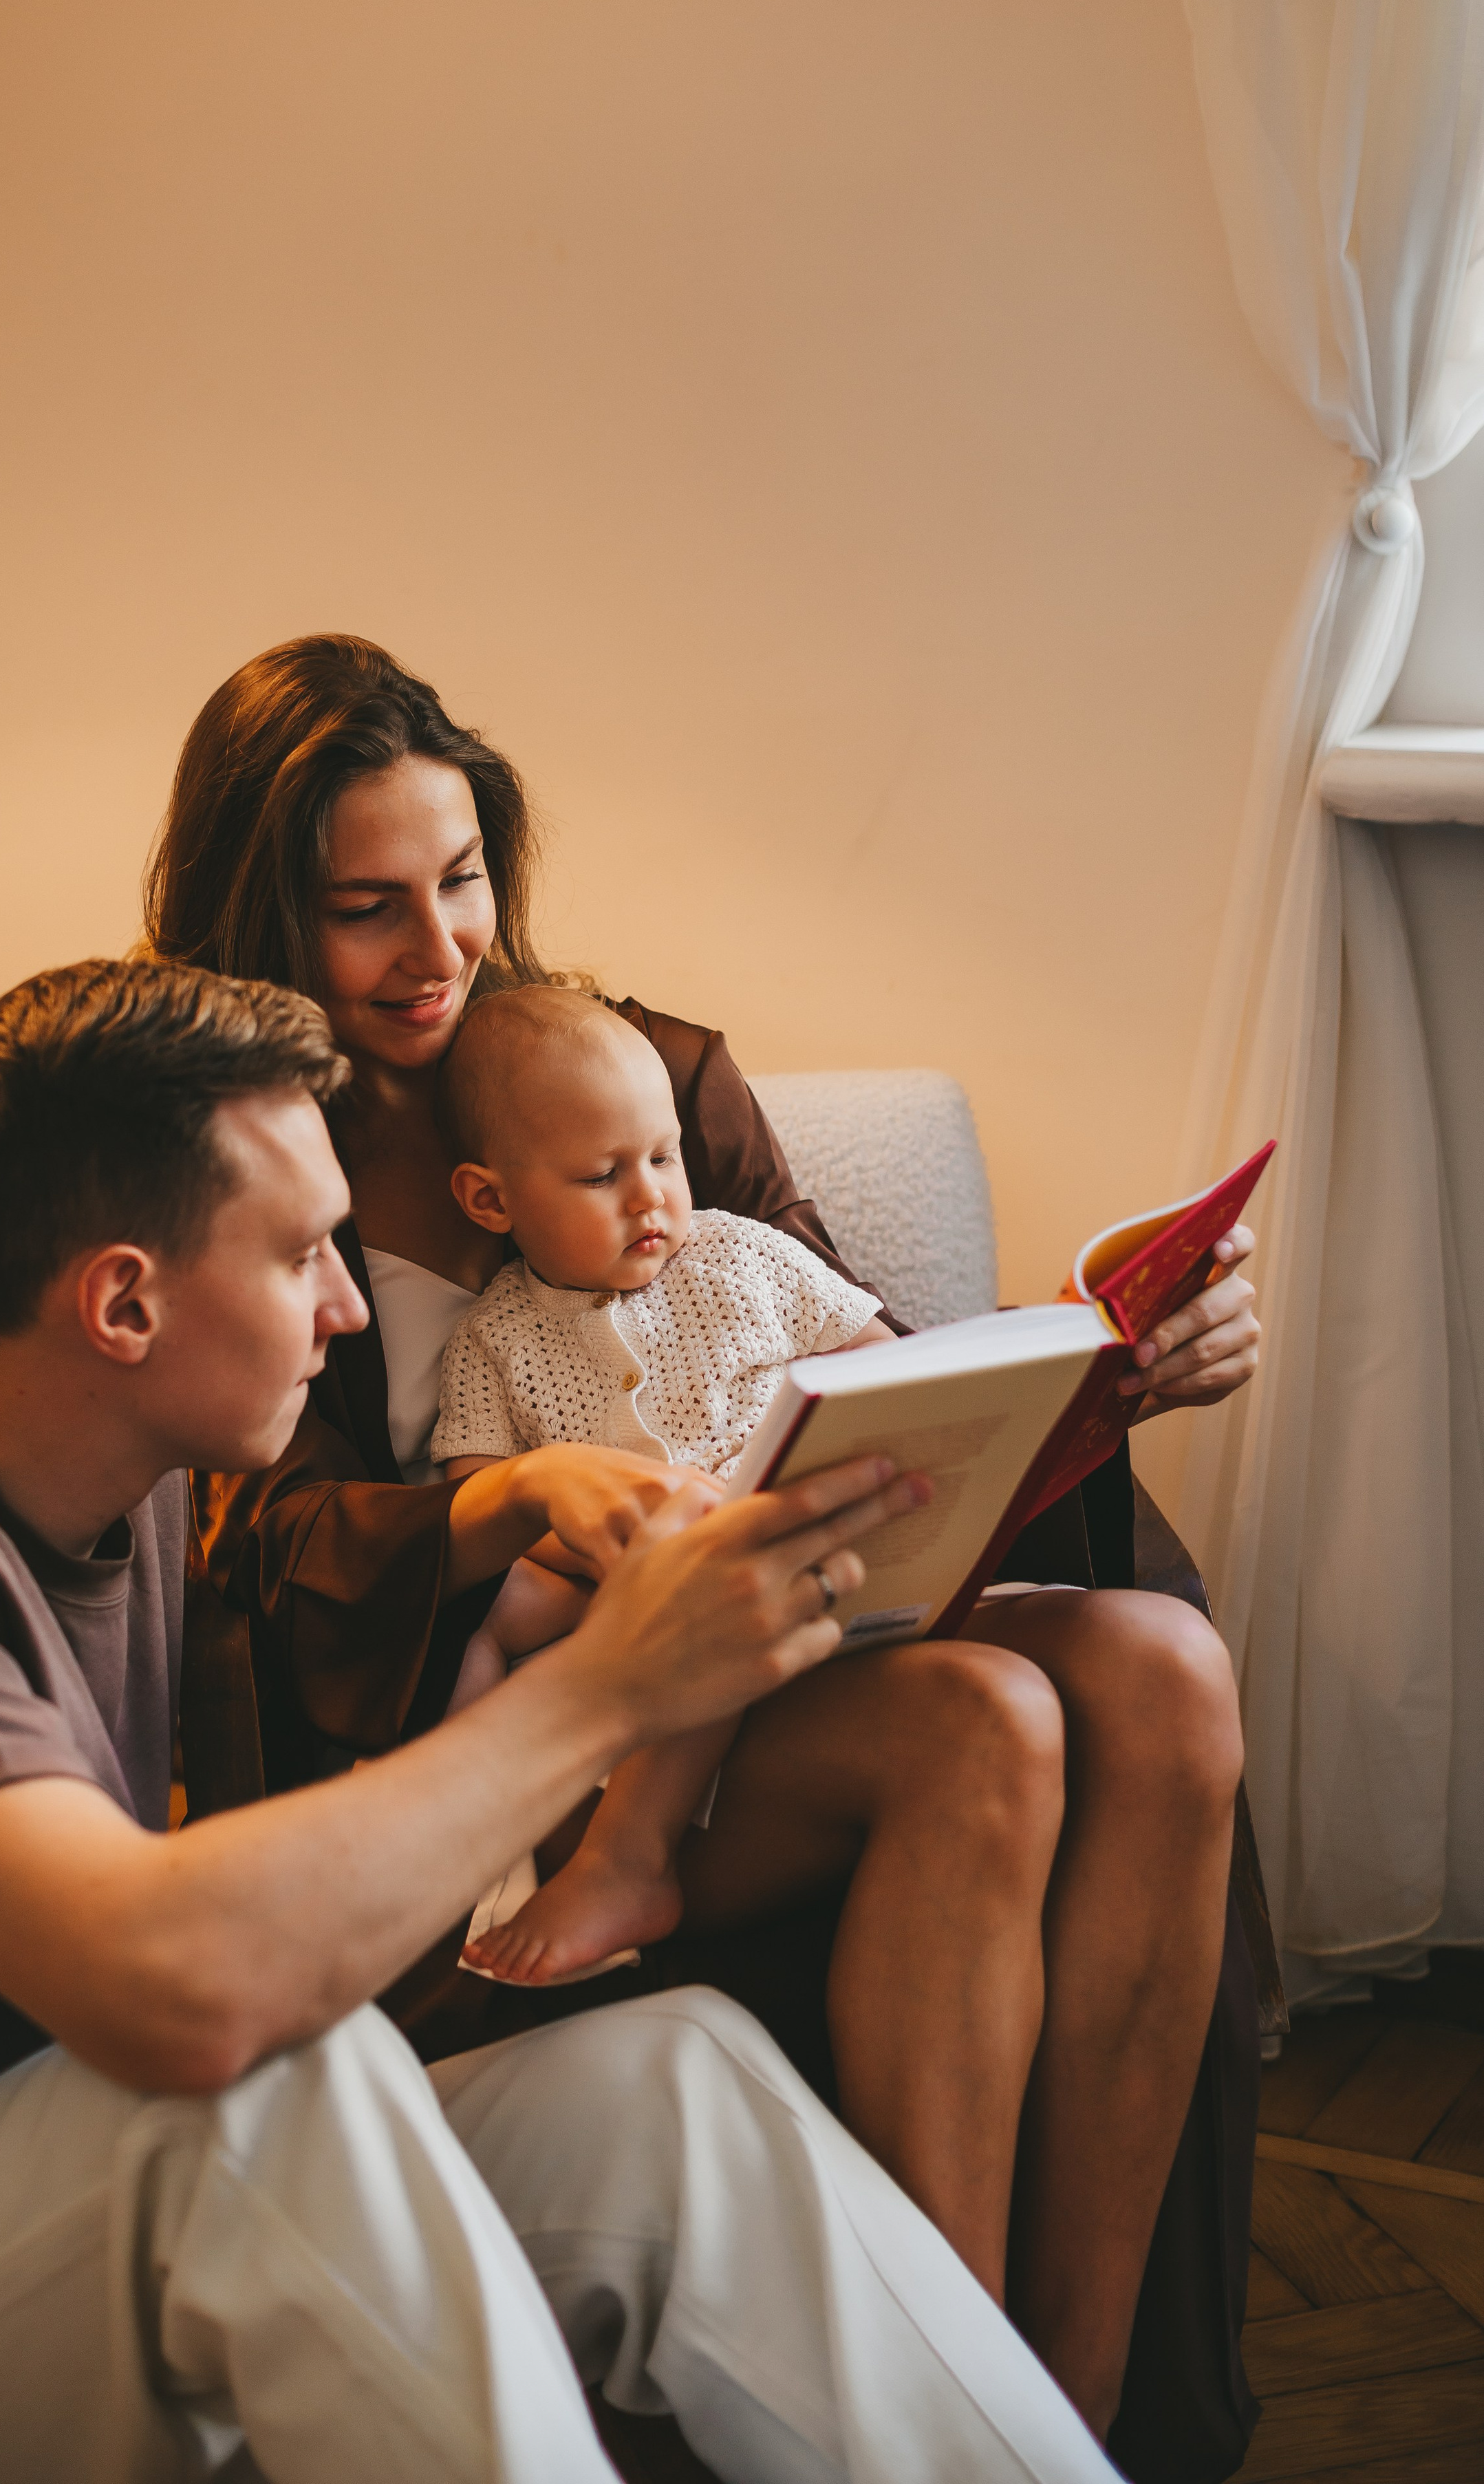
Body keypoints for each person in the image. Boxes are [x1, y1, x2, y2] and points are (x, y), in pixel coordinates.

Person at [0, 956, 1119, 2484]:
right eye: (306, 1253)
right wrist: (614, 1688)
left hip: (63, 2202)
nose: (343, 1307)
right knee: (257, 2094)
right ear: (123, 1300)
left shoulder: (141, 1465)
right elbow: (168, 1990)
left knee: (680, 2086)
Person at [144, 634, 1265, 2468]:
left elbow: (859, 1364)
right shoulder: (226, 1140)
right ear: (266, 910)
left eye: (464, 880)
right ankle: (930, 2410)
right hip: (515, 1709)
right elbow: (225, 1539)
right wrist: (509, 1498)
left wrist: (1115, 1377)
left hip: (779, 1619)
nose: (439, 950)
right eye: (366, 911)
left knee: (1169, 1674)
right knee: (985, 1723)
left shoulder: (641, 1075)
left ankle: (1077, 2405)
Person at [431, 983, 890, 1984]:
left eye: (664, 1156)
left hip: (771, 1536)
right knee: (478, 1607)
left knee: (704, 1573)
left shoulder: (742, 1253)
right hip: (601, 1563)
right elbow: (475, 1484)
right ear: (491, 1200)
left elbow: (882, 1361)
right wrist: (573, 1542)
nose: (651, 1197)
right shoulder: (496, 1337)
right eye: (603, 1175)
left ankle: (628, 1859)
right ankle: (476, 1842)